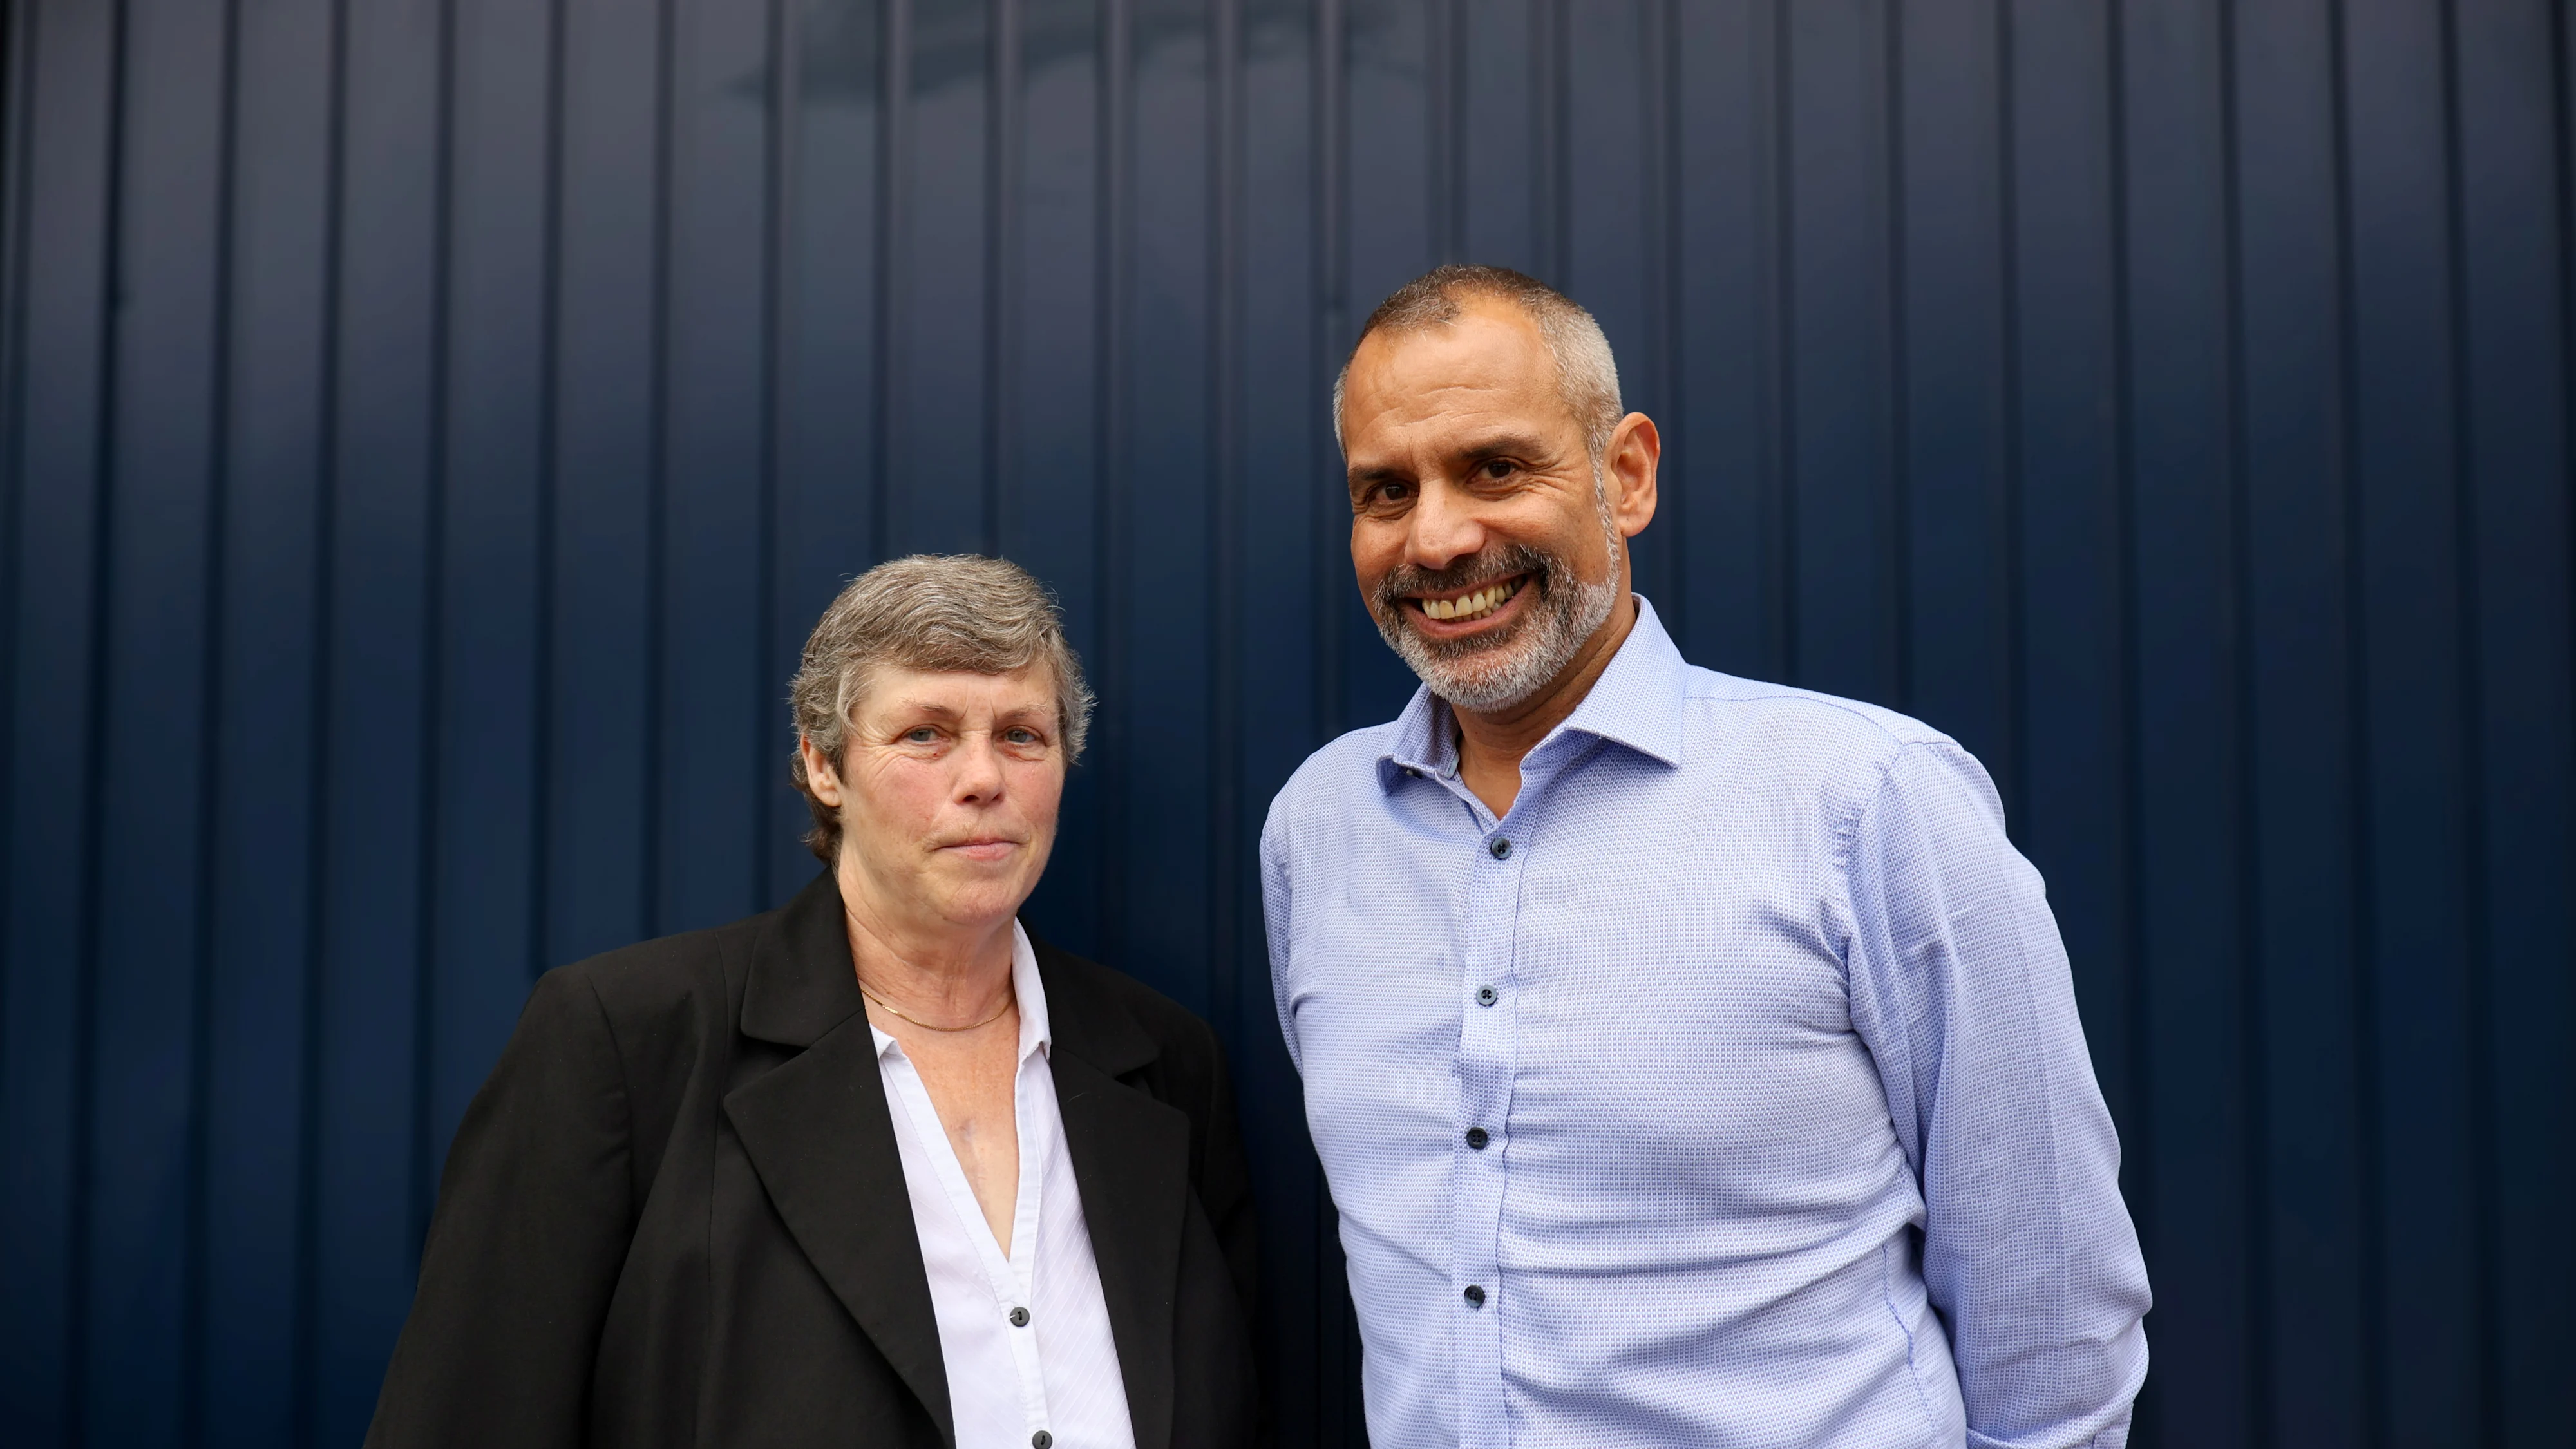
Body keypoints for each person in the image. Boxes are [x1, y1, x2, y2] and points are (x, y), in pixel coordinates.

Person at [1261, 265, 2151, 1446]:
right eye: (1386, 490)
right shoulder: (1318, 829)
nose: (1437, 536)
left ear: (1624, 475)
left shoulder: (1867, 805)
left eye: (1496, 468)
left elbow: (2056, 1320)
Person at [368, 554, 1260, 1449]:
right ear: (823, 764)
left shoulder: (1167, 1067)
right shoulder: (625, 1042)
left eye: (1023, 734)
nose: (985, 777)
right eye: (926, 733)